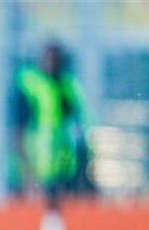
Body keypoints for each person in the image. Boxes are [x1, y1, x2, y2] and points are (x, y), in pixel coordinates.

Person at [10, 41, 94, 204]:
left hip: (64, 163)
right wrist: (27, 170)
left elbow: (80, 120)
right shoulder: (30, 85)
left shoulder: (68, 84)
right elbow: (18, 128)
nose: (53, 64)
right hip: (37, 162)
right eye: (49, 59)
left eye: (56, 59)